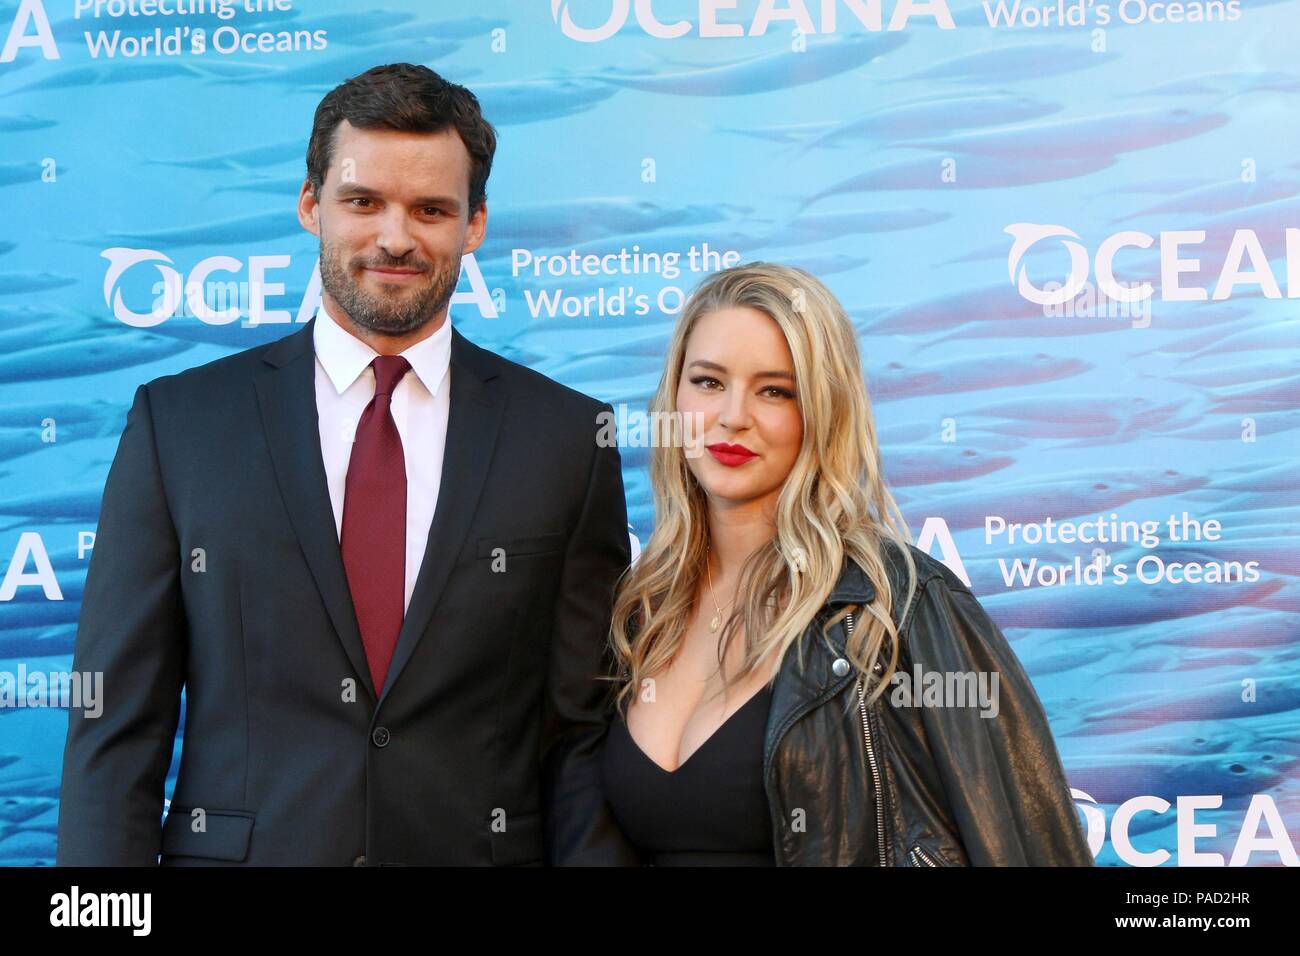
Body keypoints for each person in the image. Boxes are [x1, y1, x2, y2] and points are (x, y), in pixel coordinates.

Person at [56, 63, 630, 866]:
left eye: (431, 209)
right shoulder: (182, 426)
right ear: (310, 205)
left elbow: (579, 740)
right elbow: (115, 733)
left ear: (475, 225)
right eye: (364, 202)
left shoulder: (567, 437)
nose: (395, 238)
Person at [598, 262, 1095, 866]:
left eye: (775, 390)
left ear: (824, 410)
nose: (732, 415)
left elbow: (1027, 845)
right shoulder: (639, 610)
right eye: (707, 382)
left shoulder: (903, 607)